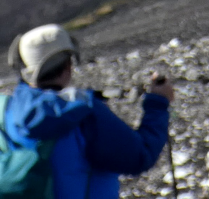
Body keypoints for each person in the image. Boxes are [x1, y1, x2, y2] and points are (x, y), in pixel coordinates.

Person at [3, 24, 173, 199]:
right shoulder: (83, 113)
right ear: (68, 65)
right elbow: (140, 156)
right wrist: (158, 104)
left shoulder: (5, 111)